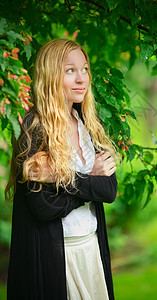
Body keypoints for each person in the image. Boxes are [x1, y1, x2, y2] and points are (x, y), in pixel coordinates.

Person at [5, 38, 118, 300]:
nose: (82, 79)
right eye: (70, 70)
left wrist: (60, 177)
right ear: (50, 75)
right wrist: (91, 182)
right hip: (53, 256)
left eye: (85, 69)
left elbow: (109, 190)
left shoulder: (88, 122)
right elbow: (44, 207)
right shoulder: (34, 127)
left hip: (90, 250)